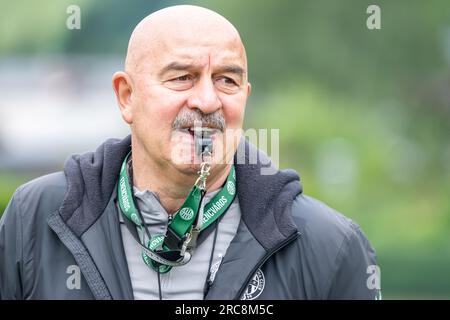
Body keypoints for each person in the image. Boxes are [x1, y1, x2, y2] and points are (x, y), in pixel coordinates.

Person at [0, 5, 381, 300]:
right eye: (182, 77)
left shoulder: (329, 244)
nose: (206, 100)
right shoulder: (35, 218)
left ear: (244, 98)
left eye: (226, 80)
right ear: (126, 96)